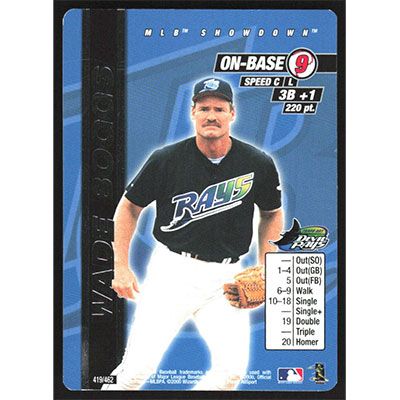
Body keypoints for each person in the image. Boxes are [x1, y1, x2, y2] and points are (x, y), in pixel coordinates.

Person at [102, 77, 284, 391]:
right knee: (135, 372)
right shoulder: (166, 159)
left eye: (219, 108)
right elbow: (129, 208)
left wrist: (267, 267)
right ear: (193, 112)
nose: (211, 115)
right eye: (204, 108)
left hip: (226, 277)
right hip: (172, 272)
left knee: (231, 372)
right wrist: (121, 265)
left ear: (232, 113)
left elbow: (272, 213)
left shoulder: (257, 163)